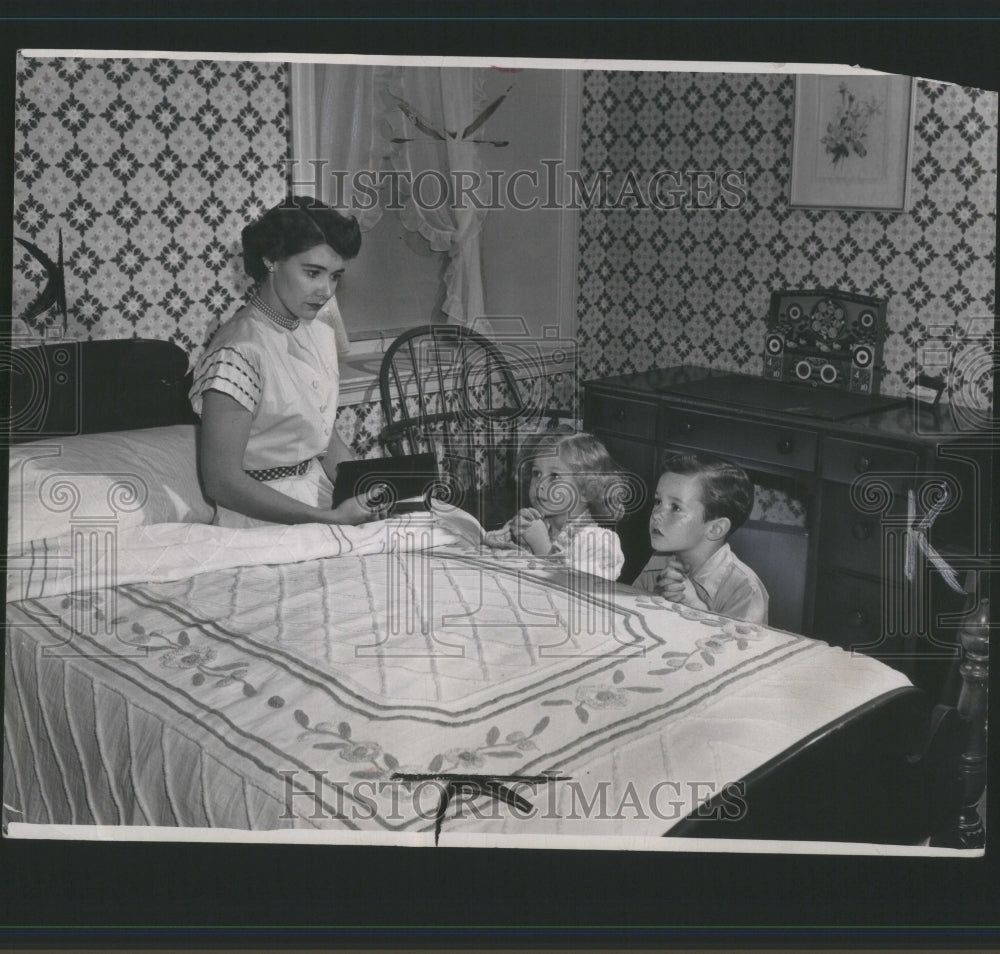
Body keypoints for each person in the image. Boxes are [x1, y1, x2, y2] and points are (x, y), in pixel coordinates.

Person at [189, 196, 381, 529]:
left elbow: (323, 439)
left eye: (335, 276)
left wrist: (369, 491)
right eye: (312, 272)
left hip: (319, 497)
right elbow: (222, 481)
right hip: (261, 520)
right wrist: (326, 518)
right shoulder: (238, 352)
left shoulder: (319, 334)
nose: (325, 291)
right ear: (271, 261)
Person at [633, 453, 768, 625]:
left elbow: (739, 650)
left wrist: (695, 606)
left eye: (675, 507)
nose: (656, 514)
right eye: (658, 501)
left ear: (715, 529)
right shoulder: (658, 561)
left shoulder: (745, 589)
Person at [485, 431, 626, 581]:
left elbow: (578, 591)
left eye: (554, 476)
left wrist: (543, 549)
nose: (540, 485)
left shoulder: (600, 542)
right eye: (537, 473)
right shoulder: (539, 525)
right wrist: (512, 535)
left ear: (587, 490)